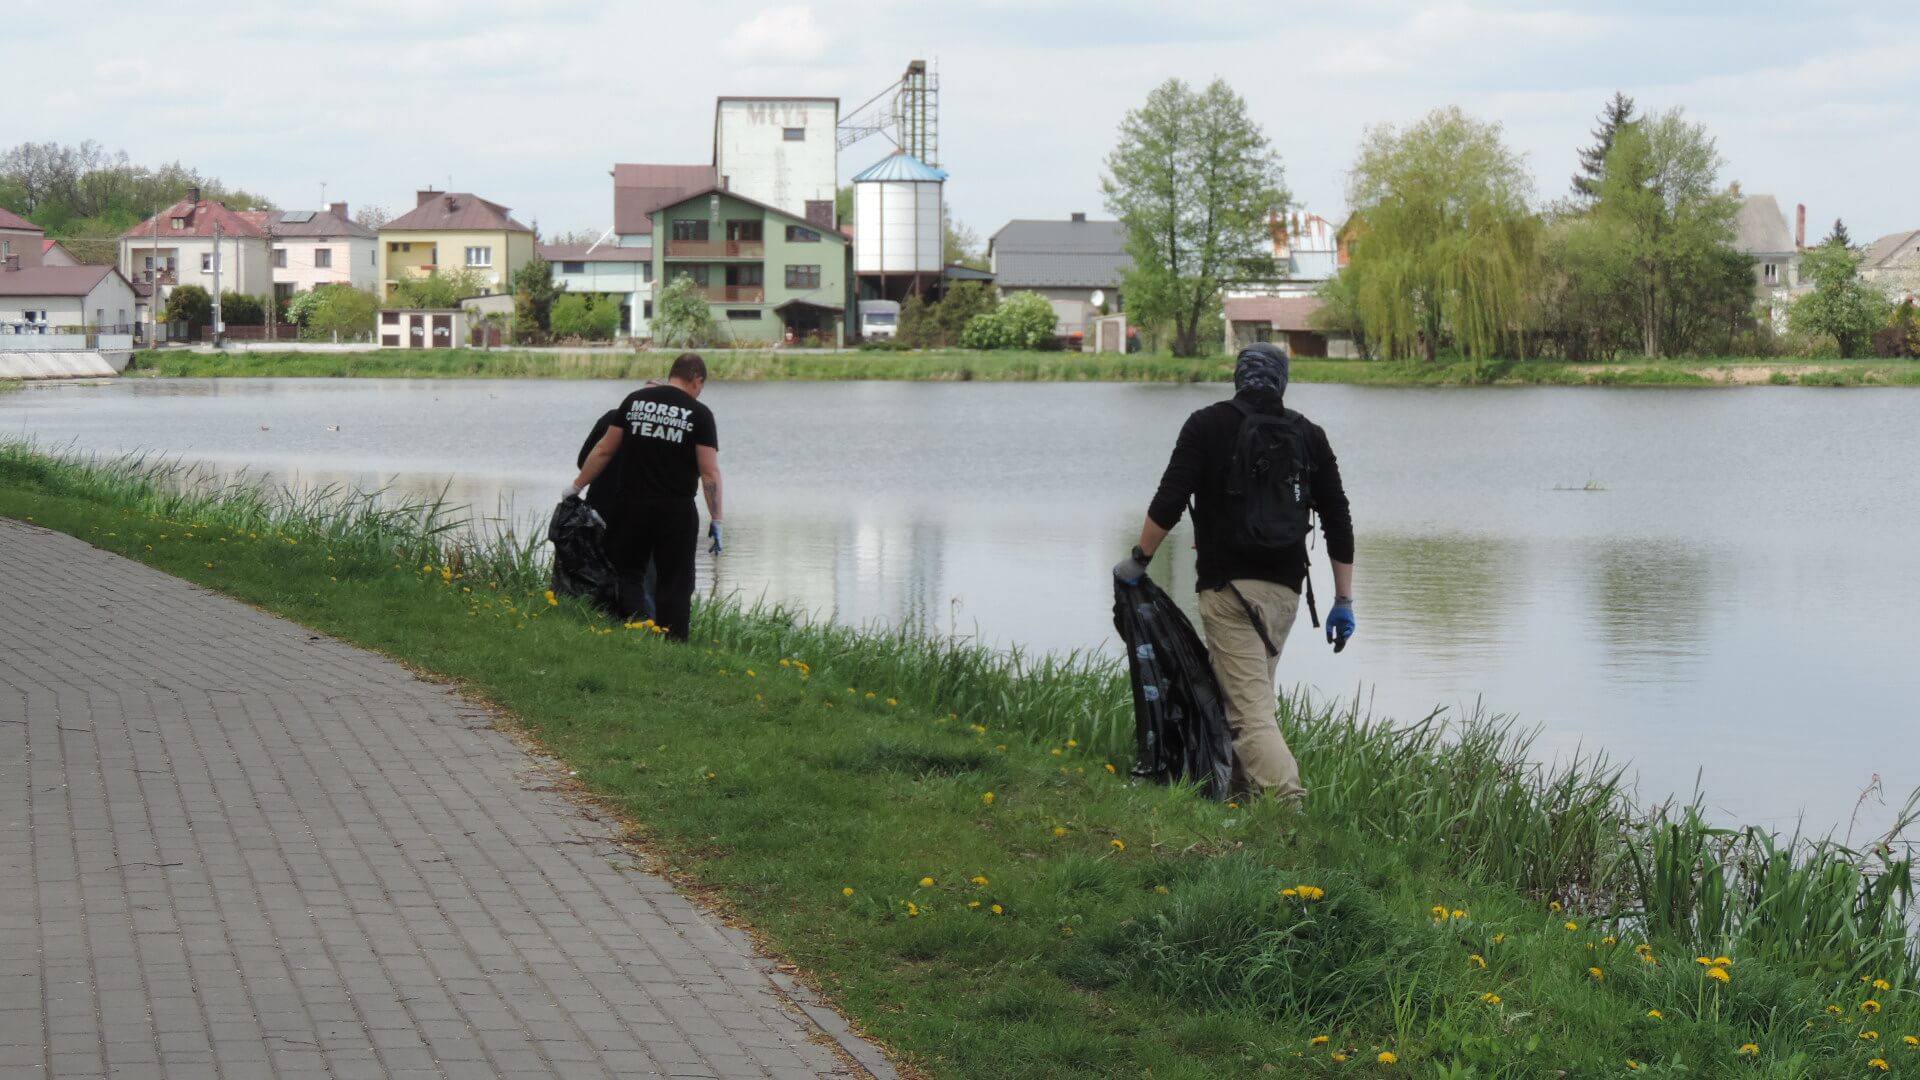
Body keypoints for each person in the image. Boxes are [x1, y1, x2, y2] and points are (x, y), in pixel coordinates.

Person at [1113, 342, 1354, 804]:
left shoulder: (1208, 424)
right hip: (1284, 594)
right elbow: (1338, 520)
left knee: (1249, 715)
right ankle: (1241, 808)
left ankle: (1290, 813)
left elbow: (1170, 499)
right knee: (1248, 701)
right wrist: (1343, 601)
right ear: (1282, 381)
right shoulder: (1310, 435)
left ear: (1239, 377)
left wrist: (1139, 560)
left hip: (1228, 591)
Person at [568, 352, 723, 640]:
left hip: (630, 506)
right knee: (675, 581)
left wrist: (576, 486)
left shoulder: (633, 402)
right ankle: (673, 642)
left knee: (627, 569)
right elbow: (709, 473)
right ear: (697, 380)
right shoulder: (700, 414)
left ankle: (636, 619)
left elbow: (603, 450)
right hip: (675, 510)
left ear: (671, 373)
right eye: (701, 385)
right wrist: (717, 518)